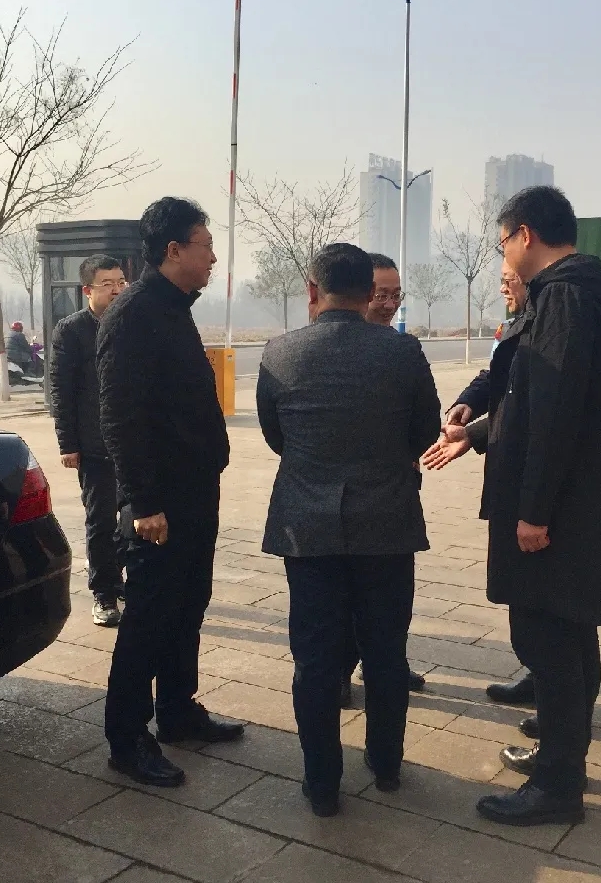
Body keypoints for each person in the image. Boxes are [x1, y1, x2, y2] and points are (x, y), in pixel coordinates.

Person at [422, 186, 601, 826]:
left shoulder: (563, 298)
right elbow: (525, 396)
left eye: (502, 243)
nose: (504, 257)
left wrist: (535, 511)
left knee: (548, 642)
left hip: (556, 507)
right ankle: (562, 762)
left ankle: (558, 786)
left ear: (525, 235)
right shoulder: (580, 294)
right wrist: (477, 430)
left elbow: (554, 412)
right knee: (569, 634)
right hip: (577, 499)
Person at [257, 243, 441, 817]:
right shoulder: (403, 351)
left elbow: (275, 434)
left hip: (307, 527)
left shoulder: (280, 352)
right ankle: (386, 765)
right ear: (369, 293)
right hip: (386, 522)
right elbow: (424, 431)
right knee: (386, 650)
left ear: (313, 290)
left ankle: (322, 784)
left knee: (315, 659)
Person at [97, 197, 244, 789]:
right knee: (149, 618)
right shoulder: (134, 314)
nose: (213, 258)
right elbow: (120, 416)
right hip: (159, 502)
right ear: (174, 250)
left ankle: (178, 710)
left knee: (188, 604)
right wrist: (143, 502)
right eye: (206, 246)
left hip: (194, 492)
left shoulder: (174, 308)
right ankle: (127, 737)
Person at [440, 263, 537, 711]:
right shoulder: (519, 322)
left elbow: (526, 408)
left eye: (508, 280)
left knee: (543, 605)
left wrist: (474, 434)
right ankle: (540, 678)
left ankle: (558, 710)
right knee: (524, 597)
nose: (502, 288)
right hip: (512, 482)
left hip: (531, 490)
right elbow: (497, 376)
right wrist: (468, 402)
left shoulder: (548, 326)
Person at [331, 251, 426, 702]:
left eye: (396, 295)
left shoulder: (402, 349)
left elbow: (423, 423)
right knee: (342, 596)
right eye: (380, 295)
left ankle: (384, 663)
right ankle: (341, 670)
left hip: (391, 495)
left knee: (390, 596)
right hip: (337, 500)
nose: (388, 305)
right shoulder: (328, 348)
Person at [50, 255, 126, 626]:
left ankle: (115, 571)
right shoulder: (72, 330)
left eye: (121, 282)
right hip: (95, 446)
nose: (116, 290)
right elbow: (61, 390)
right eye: (107, 284)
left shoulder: (133, 323)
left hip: (134, 444)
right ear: (87, 291)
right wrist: (68, 443)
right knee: (101, 521)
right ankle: (104, 593)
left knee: (136, 518)